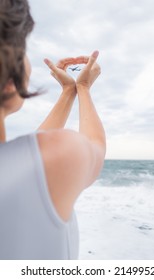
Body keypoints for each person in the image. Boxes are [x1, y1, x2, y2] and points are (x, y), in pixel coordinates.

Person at [0, 0, 106, 260]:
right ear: (10, 82)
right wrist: (83, 89)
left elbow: (28, 153)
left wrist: (68, 92)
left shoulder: (22, 165)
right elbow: (95, 148)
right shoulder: (60, 155)